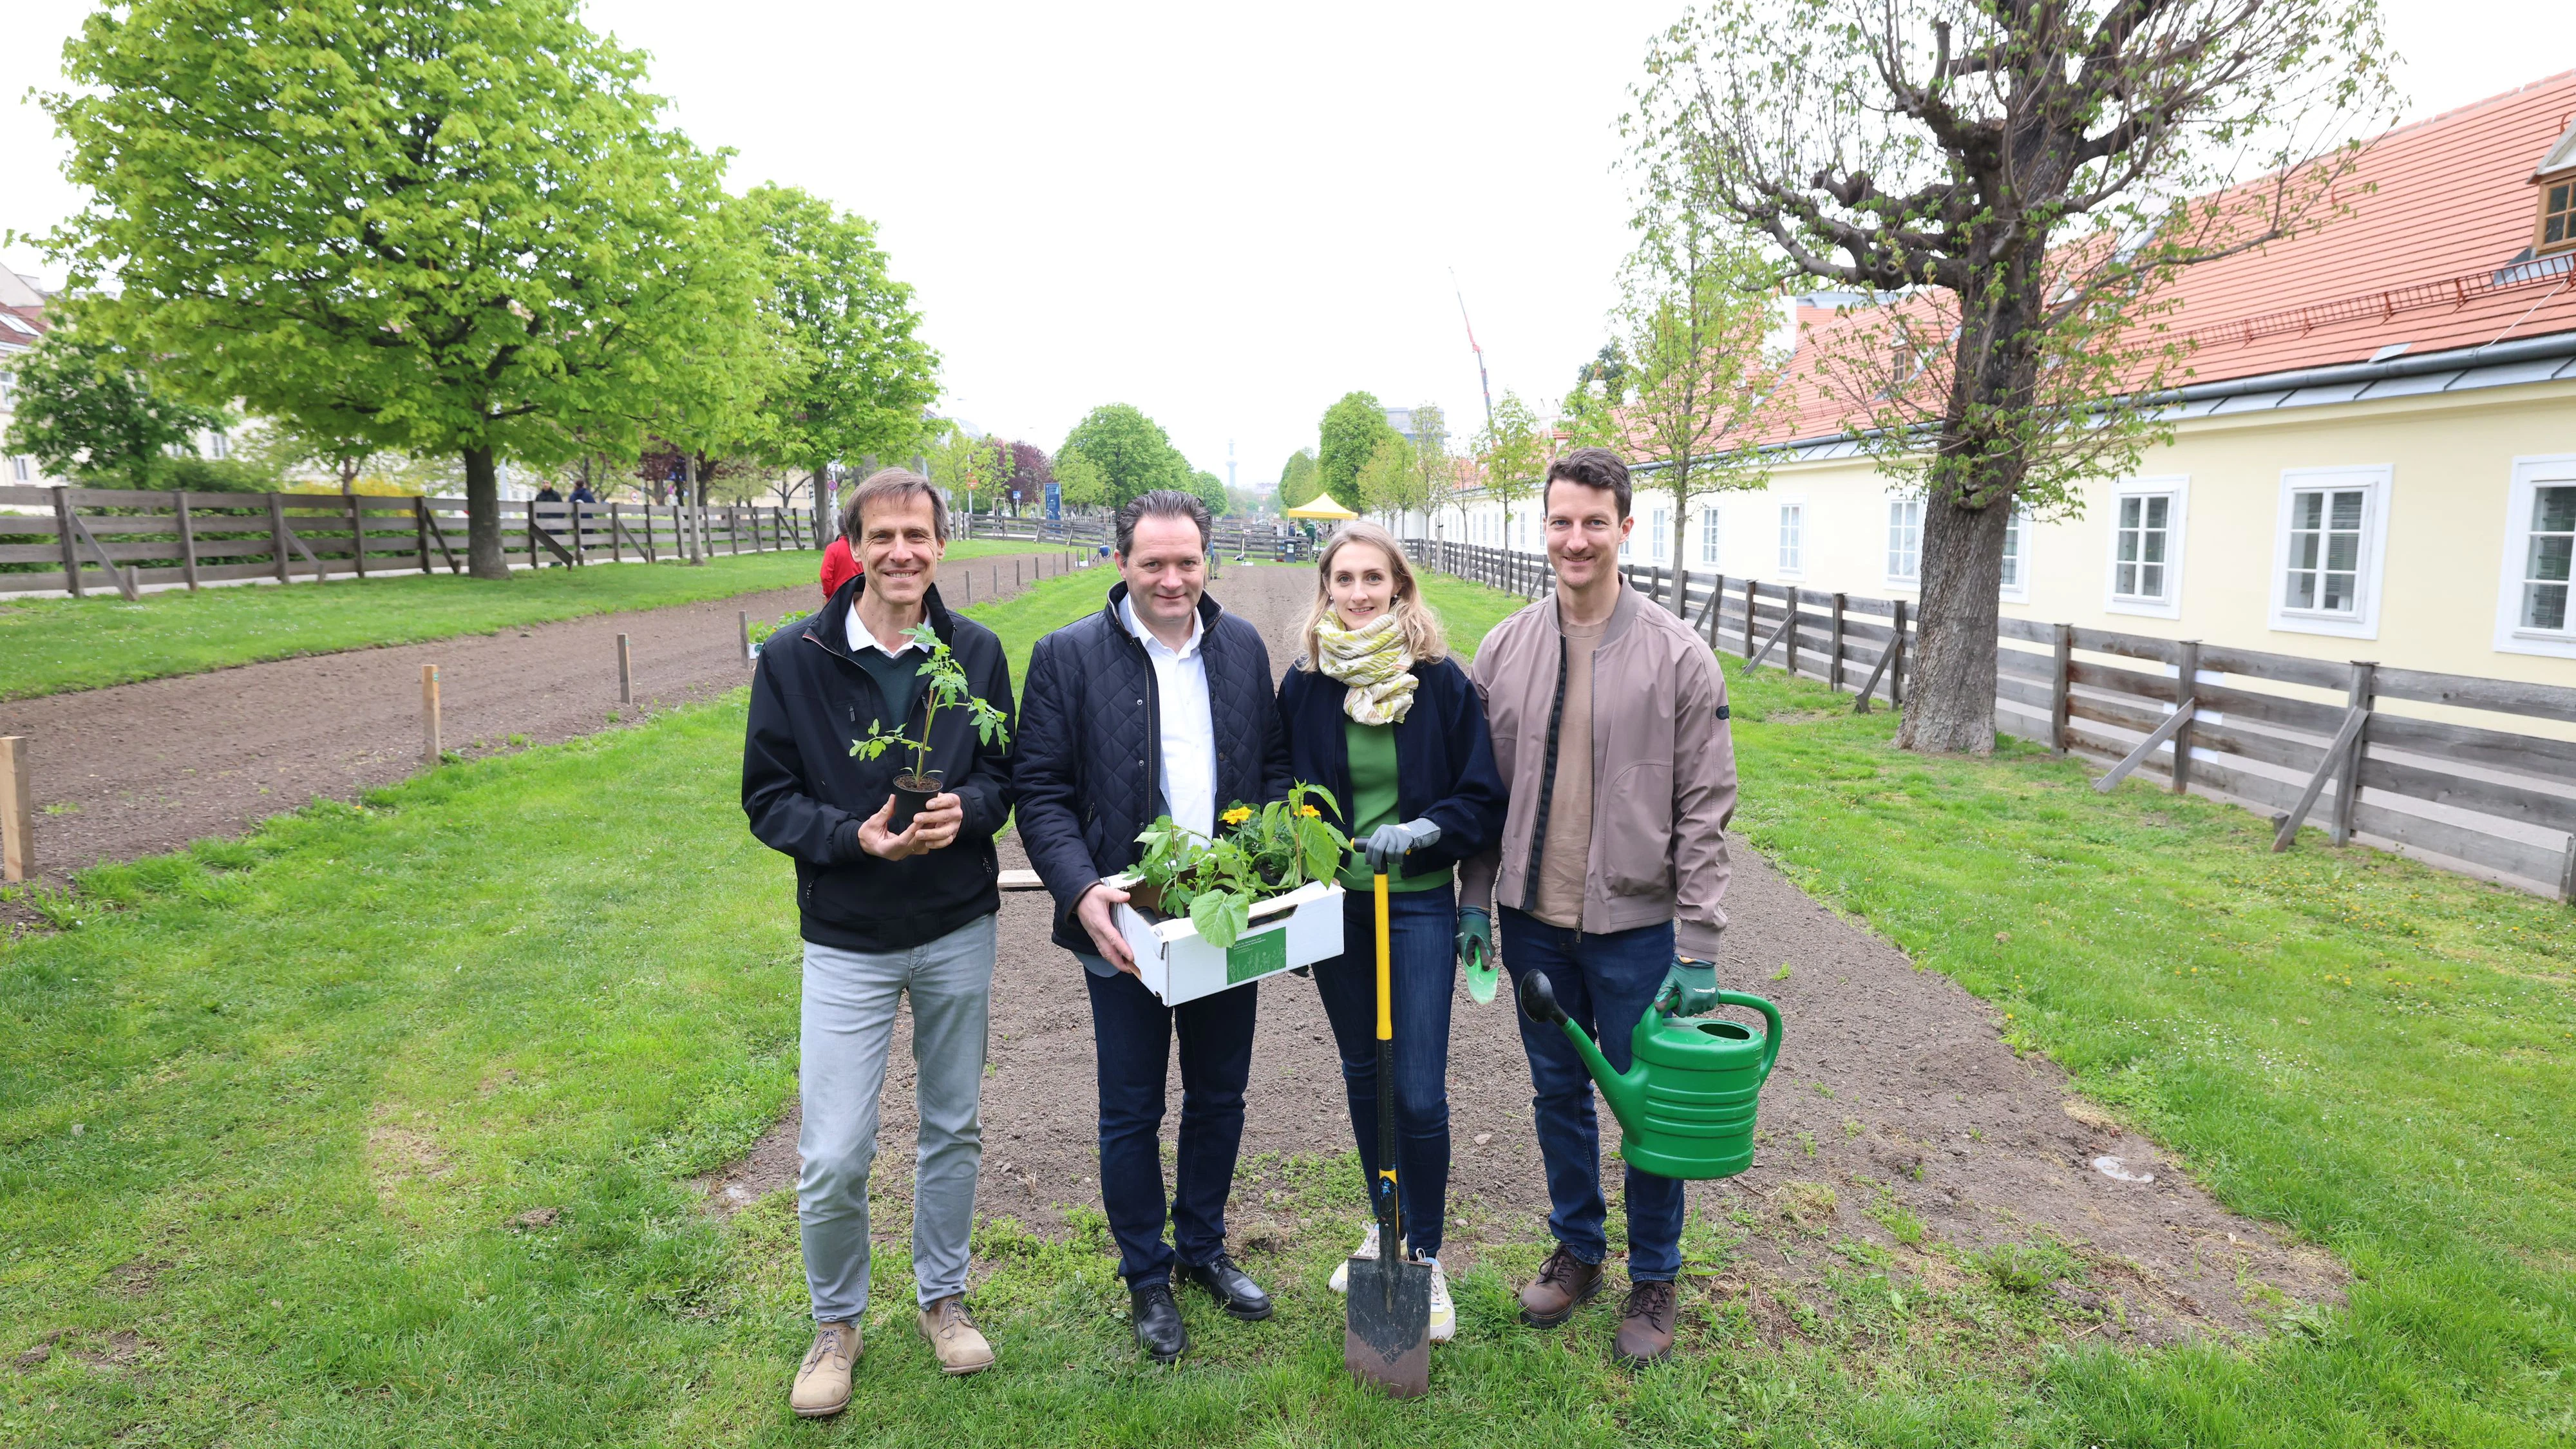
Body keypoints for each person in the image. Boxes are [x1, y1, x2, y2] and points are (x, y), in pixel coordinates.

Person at [741, 468, 1018, 1416]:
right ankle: (836, 1322)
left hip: (954, 927)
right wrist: (849, 836)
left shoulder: (973, 653)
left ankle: (943, 1298)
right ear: (854, 546)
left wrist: (967, 814)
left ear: (943, 543)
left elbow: (1002, 775)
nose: (903, 551)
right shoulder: (795, 657)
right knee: (834, 1149)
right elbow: (768, 797)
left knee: (953, 1124)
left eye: (920, 534)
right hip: (848, 934)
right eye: (883, 535)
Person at [1459, 447, 1738, 1367]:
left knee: (1648, 1109)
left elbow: (1705, 808)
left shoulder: (1678, 657)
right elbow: (1479, 797)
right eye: (1560, 521)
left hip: (1636, 930)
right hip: (1535, 921)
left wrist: (1697, 943)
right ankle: (1578, 1247)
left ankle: (1655, 1273)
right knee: (1557, 1094)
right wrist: (1476, 901)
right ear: (1543, 529)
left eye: (1593, 520)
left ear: (1626, 525)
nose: (1575, 538)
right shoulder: (1504, 649)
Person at [1016, 489, 1291, 1365]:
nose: (1172, 579)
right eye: (1153, 563)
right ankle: (1146, 1273)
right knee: (1132, 1108)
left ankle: (1204, 1246)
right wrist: (1080, 888)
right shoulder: (1066, 657)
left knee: (1220, 1093)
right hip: (1126, 922)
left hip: (1222, 916)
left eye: (1187, 562)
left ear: (1208, 561)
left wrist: (1265, 863)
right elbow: (1042, 791)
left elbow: (1275, 768)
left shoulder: (1243, 646)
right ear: (1121, 562)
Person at [1276, 520, 1504, 1345]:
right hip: (1338, 908)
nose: (1361, 593)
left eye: (1376, 578)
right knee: (1362, 1075)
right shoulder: (1305, 687)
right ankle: (1385, 1223)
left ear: (1400, 587)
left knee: (1416, 1089)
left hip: (1411, 905)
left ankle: (1427, 1251)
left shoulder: (1440, 683)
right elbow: (1280, 779)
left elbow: (1481, 797)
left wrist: (1426, 829)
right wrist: (1302, 844)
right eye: (1345, 579)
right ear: (1326, 589)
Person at [819, 532, 861, 601]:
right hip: (858, 596)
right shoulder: (860, 549)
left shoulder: (833, 548)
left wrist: (829, 594)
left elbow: (825, 576)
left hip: (837, 597)